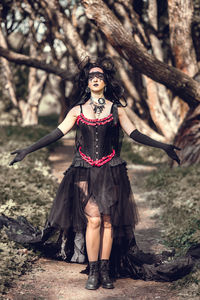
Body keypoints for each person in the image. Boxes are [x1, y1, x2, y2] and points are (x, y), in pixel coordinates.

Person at [10, 57, 181, 290]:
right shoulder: (77, 110)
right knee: (93, 219)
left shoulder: (116, 110)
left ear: (106, 81)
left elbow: (135, 134)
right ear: (87, 82)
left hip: (111, 170)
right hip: (83, 169)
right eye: (91, 76)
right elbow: (56, 134)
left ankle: (104, 269)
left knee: (108, 221)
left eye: (99, 76)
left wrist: (164, 146)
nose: (95, 79)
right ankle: (93, 271)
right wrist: (28, 150)